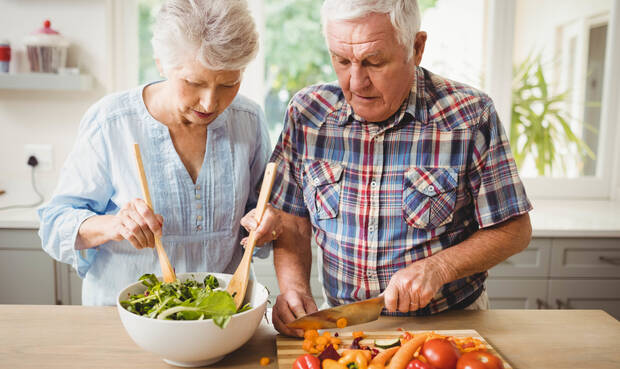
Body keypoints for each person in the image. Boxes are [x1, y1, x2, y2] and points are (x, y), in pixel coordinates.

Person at [269, 0, 533, 336]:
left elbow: (515, 229)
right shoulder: (307, 113)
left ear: (417, 47)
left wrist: (439, 267)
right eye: (341, 60)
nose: (355, 82)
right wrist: (295, 289)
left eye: (374, 62)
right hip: (343, 322)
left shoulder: (470, 115)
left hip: (450, 323)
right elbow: (291, 219)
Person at [38, 0, 281, 306]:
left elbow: (259, 210)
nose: (209, 103)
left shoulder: (249, 119)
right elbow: (54, 224)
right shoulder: (111, 122)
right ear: (161, 62)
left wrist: (267, 222)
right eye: (194, 82)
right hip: (124, 317)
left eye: (229, 83)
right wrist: (114, 226)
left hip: (222, 319)